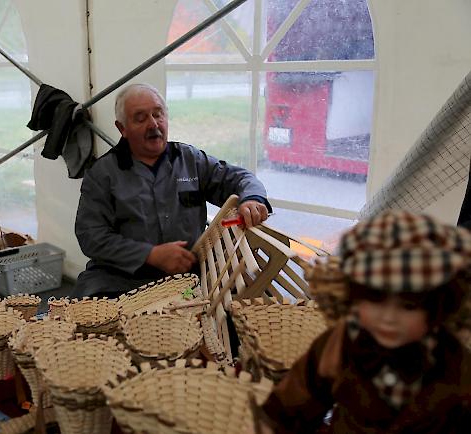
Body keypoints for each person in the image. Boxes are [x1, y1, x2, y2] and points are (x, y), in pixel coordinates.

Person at [259, 210, 471, 433]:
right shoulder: (344, 341)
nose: (388, 318)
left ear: (436, 309)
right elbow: (295, 402)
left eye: (408, 307)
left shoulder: (455, 366)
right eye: (375, 300)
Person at [75, 83, 272, 297]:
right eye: (140, 118)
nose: (153, 124)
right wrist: (149, 255)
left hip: (188, 274)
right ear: (122, 129)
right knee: (89, 308)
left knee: (255, 297)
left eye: (158, 114)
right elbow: (91, 235)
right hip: (122, 277)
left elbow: (239, 178)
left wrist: (252, 198)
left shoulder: (190, 160)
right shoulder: (102, 174)